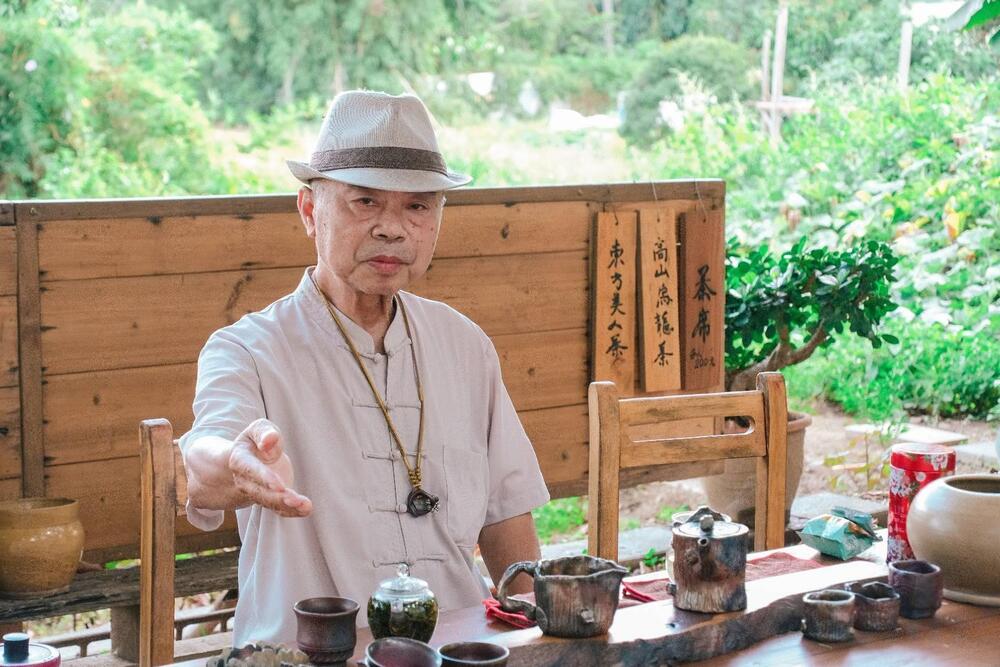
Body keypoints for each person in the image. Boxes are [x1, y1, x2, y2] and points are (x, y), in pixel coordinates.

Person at [180, 90, 550, 645]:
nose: (392, 229)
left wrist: (537, 633)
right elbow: (204, 459)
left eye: (417, 207)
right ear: (310, 211)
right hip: (308, 655)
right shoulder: (248, 350)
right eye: (365, 202)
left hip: (454, 648)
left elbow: (506, 513)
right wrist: (235, 465)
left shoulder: (464, 345)